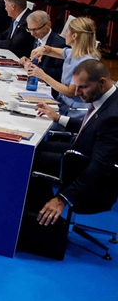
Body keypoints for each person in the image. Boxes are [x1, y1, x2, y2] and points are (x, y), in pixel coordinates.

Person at [32, 60, 118, 226]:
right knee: (35, 148)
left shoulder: (113, 117)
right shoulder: (107, 100)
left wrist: (63, 198)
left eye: (83, 87)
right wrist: (58, 118)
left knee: (31, 161)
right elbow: (92, 130)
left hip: (89, 172)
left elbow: (100, 166)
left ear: (102, 82)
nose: (77, 92)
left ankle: (42, 221)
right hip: (80, 153)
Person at [27, 16, 96, 125]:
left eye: (67, 31)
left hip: (73, 114)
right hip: (62, 105)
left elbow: (70, 92)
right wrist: (43, 49)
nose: (64, 34)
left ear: (74, 36)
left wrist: (43, 75)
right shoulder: (72, 52)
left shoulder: (85, 62)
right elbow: (52, 51)